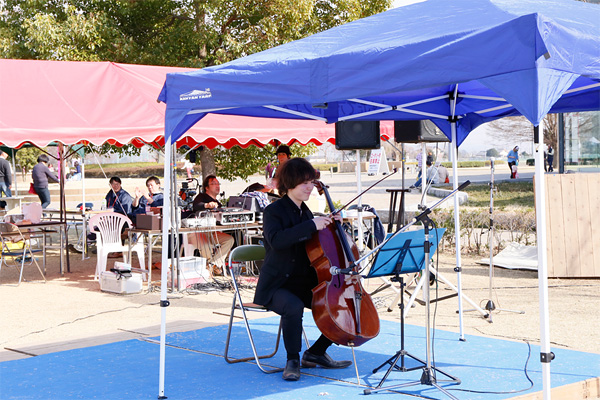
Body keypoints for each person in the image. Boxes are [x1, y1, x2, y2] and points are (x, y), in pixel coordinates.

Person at [254, 157, 352, 381]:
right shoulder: (274, 211)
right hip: (277, 285)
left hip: (302, 281)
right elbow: (277, 240)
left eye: (311, 182)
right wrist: (311, 225)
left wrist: (329, 224)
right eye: (304, 183)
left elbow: (314, 244)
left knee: (338, 303)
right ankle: (293, 360)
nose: (310, 187)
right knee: (293, 306)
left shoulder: (305, 212)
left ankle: (315, 353)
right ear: (290, 184)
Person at [189, 175, 235, 270]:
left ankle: (213, 264)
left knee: (229, 240)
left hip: (212, 232)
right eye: (213, 183)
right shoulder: (201, 197)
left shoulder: (218, 203)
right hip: (198, 233)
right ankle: (212, 267)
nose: (217, 186)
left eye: (218, 183)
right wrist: (207, 205)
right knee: (207, 246)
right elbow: (196, 205)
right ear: (206, 187)